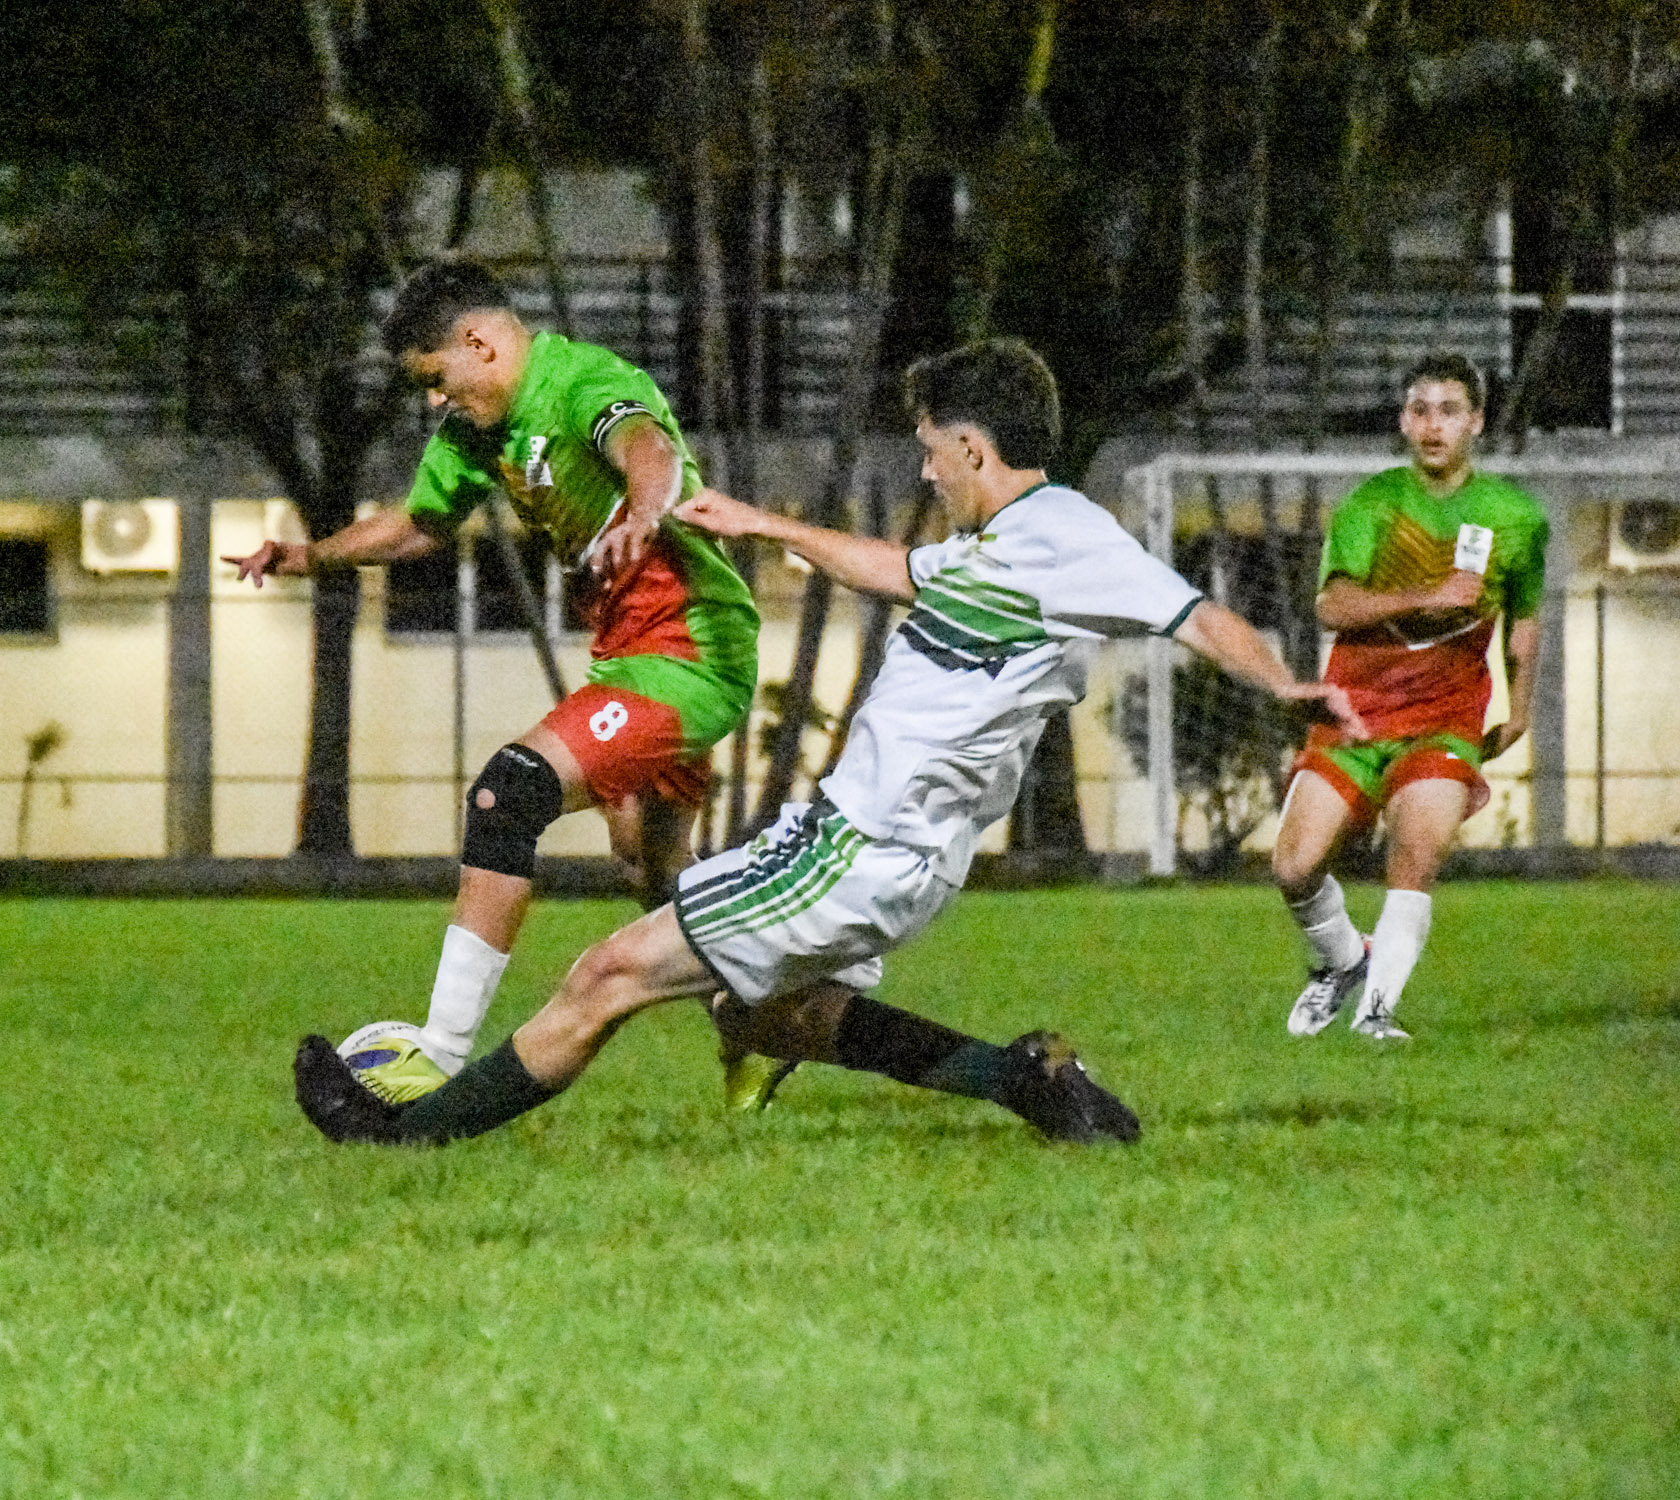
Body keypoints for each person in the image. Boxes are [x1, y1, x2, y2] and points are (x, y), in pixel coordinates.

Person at [290, 336, 1361, 1148]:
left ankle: (398, 1132)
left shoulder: (1070, 536)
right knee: (767, 1016)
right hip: (888, 850)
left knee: (607, 974)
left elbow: (1193, 615)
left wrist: (1285, 685)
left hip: (860, 848)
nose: (926, 470)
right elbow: (895, 573)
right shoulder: (1003, 545)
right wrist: (766, 525)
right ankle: (1022, 1080)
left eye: (931, 451)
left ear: (973, 447)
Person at [227, 260, 760, 1094]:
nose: (434, 400)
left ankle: (439, 1051)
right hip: (632, 656)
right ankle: (768, 1017)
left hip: (692, 650)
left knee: (506, 793)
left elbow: (648, 449)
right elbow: (421, 524)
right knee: (652, 866)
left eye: (435, 379)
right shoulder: (477, 432)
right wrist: (310, 556)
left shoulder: (581, 381)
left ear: (479, 342)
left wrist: (645, 510)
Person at [1274, 352, 1548, 1042]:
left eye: (1449, 411)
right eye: (1420, 410)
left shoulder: (1517, 518)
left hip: (1446, 718)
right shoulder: (1371, 504)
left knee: (1416, 852)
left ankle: (1376, 1014)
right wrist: (1425, 596)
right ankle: (1345, 961)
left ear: (1476, 422)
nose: (1433, 425)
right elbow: (1333, 606)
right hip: (1357, 712)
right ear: (1403, 420)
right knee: (1294, 866)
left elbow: (1524, 621)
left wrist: (1520, 710)